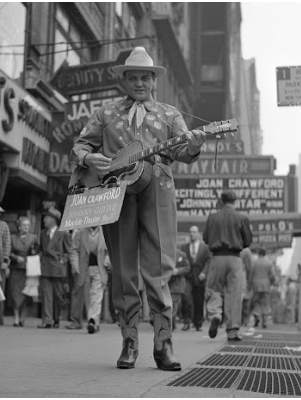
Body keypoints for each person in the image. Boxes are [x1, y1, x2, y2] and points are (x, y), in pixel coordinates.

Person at [71, 47, 206, 370]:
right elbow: (80, 145)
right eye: (134, 78)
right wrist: (91, 158)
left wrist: (195, 144)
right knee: (123, 268)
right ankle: (129, 340)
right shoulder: (105, 114)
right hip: (114, 192)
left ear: (153, 80)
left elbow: (185, 152)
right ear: (125, 81)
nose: (140, 83)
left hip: (157, 189)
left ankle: (164, 344)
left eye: (146, 78)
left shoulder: (170, 114)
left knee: (160, 265)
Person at [202, 190, 253, 341]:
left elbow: (206, 238)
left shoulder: (212, 217)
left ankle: (216, 314)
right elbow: (248, 241)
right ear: (235, 201)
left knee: (214, 289)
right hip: (234, 258)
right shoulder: (242, 217)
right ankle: (232, 330)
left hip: (217, 257)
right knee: (233, 294)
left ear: (221, 201)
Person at [37, 208, 73, 329]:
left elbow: (69, 251)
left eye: (46, 217)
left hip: (58, 269)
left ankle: (56, 318)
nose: (44, 220)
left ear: (53, 219)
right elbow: (41, 250)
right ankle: (47, 320)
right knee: (46, 295)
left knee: (58, 295)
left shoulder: (63, 233)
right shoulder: (42, 233)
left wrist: (63, 260)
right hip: (46, 267)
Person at [69, 226, 108, 333]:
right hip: (84, 269)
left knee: (96, 295)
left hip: (99, 269)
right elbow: (74, 250)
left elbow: (110, 249)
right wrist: (75, 266)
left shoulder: (106, 232)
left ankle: (92, 321)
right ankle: (92, 320)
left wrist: (108, 261)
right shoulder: (80, 232)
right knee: (87, 296)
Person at [8, 216, 39, 327]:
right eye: (24, 225)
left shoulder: (33, 238)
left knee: (27, 293)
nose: (26, 227)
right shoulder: (12, 238)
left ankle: (23, 317)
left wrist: (34, 252)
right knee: (16, 294)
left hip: (29, 269)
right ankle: (16, 316)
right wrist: (16, 258)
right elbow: (8, 252)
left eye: (28, 225)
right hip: (16, 268)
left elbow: (37, 251)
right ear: (19, 227)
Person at [182, 225, 210, 331]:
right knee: (186, 299)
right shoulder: (184, 247)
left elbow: (208, 261)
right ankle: (186, 321)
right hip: (188, 277)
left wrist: (204, 272)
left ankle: (198, 323)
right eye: (190, 232)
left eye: (194, 232)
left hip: (200, 277)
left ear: (198, 234)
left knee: (199, 300)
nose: (191, 234)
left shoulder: (205, 248)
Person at [250, 248, 277, 329]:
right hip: (266, 284)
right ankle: (264, 321)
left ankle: (257, 317)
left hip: (256, 284)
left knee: (256, 302)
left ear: (258, 253)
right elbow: (272, 275)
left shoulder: (254, 262)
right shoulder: (268, 262)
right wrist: (271, 282)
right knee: (265, 302)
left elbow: (250, 274)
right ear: (265, 254)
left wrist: (249, 284)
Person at [169, 247, 190, 330]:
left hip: (177, 284)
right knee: (170, 305)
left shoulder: (181, 254)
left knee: (173, 305)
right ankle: (171, 324)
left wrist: (177, 271)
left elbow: (187, 268)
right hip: (166, 283)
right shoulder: (163, 252)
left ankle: (169, 324)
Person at [240, 248, 254, 327]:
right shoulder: (246, 251)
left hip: (234, 278)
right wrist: (249, 280)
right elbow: (249, 267)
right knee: (245, 300)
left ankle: (239, 320)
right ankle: (244, 320)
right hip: (243, 277)